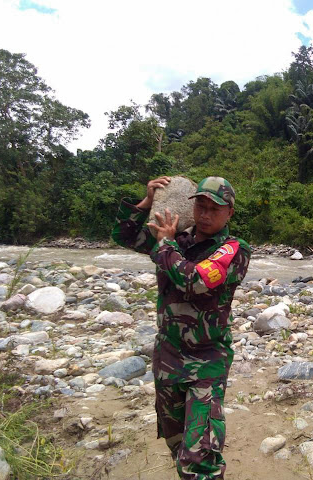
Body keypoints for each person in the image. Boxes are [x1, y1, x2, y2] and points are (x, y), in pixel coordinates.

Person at [111, 176, 251, 480]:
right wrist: (147, 203)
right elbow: (124, 235)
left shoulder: (233, 250)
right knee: (177, 446)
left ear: (230, 212)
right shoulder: (178, 239)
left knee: (199, 456)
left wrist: (165, 243)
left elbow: (195, 280)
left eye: (215, 208)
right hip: (168, 357)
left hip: (207, 361)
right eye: (200, 205)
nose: (205, 214)